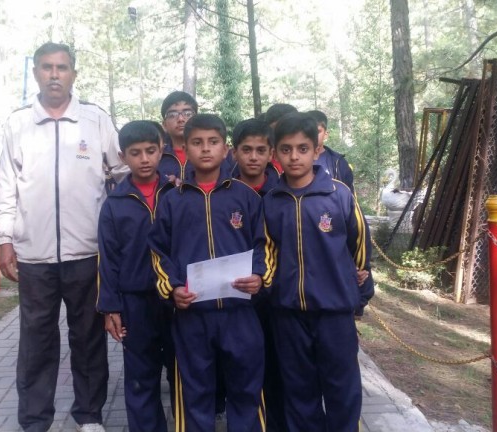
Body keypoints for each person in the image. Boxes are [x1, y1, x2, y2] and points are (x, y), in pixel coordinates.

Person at [0, 42, 126, 432]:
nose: (55, 74)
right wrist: (4, 239)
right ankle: (35, 420)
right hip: (34, 256)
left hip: (87, 252)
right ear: (36, 72)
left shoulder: (95, 120)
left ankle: (89, 415)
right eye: (47, 67)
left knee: (88, 337)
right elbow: (6, 187)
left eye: (62, 67)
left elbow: (123, 173)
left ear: (73, 73)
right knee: (36, 341)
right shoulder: (18, 124)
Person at [148, 114, 273, 431]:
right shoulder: (172, 200)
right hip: (192, 315)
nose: (205, 149)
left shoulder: (245, 196)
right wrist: (172, 288)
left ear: (226, 149)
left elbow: (264, 244)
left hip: (240, 313)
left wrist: (260, 276)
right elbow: (158, 251)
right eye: (197, 143)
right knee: (195, 391)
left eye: (213, 142)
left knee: (246, 389)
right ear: (185, 149)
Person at [262, 112, 374, 432]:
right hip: (288, 313)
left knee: (342, 388)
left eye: (302, 148)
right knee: (299, 389)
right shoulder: (272, 201)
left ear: (316, 150)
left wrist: (358, 292)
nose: (294, 157)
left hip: (334, 312)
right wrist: (271, 290)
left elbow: (359, 245)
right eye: (286, 149)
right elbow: (267, 252)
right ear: (275, 153)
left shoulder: (339, 195)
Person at [97, 121, 175, 432]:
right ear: (122, 156)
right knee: (141, 375)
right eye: (135, 153)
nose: (144, 159)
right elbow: (108, 259)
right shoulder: (115, 204)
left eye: (150, 151)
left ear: (161, 150)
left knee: (182, 370)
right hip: (135, 302)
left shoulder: (176, 192)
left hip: (177, 299)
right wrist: (110, 307)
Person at [229, 118, 288, 431]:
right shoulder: (221, 192)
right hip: (236, 298)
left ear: (271, 154)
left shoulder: (283, 192)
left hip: (279, 297)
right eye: (246, 149)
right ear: (234, 152)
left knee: (278, 367)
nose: (253, 157)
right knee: (242, 371)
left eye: (260, 150)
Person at [306, 109, 354, 191]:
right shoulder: (295, 159)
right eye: (309, 131)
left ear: (325, 134)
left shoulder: (339, 163)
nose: (313, 135)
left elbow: (349, 194)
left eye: (317, 131)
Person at [158, 91, 198, 180]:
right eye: (172, 115)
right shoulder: (156, 156)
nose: (181, 119)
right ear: (164, 125)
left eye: (187, 114)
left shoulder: (210, 153)